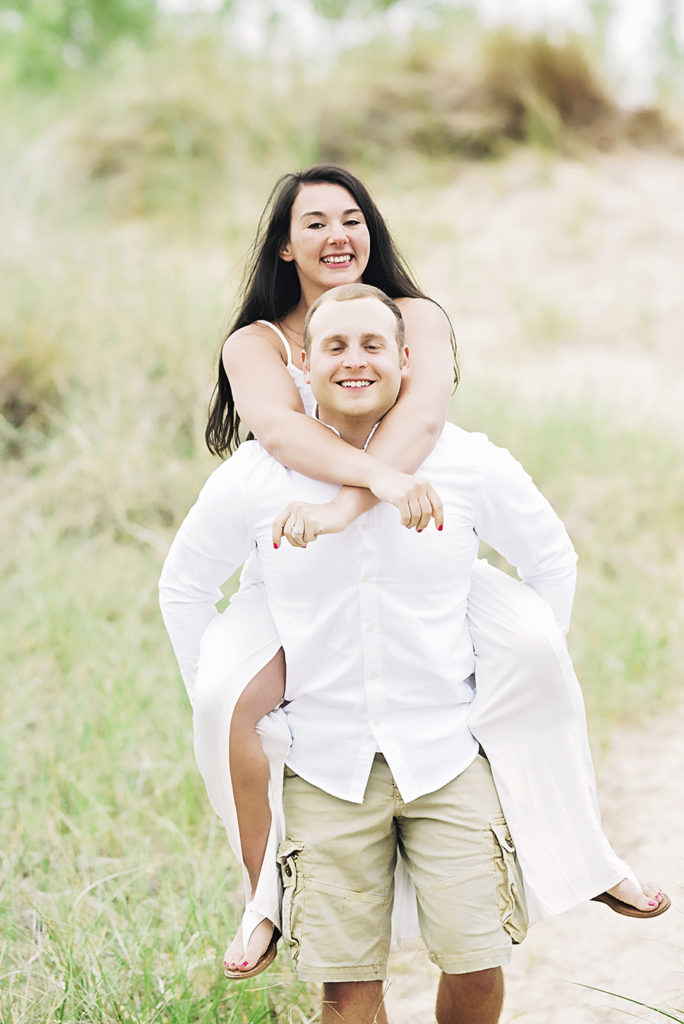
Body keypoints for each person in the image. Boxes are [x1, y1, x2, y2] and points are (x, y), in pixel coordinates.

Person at [168, 166, 667, 979]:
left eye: (352, 218)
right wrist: (370, 492)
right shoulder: (254, 342)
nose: (338, 235)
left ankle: (590, 853)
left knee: (538, 655)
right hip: (298, 564)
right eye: (316, 222)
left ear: (373, 231)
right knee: (224, 698)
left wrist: (355, 502)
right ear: (285, 247)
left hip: (413, 536)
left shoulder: (416, 316)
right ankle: (260, 895)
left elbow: (425, 417)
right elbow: (282, 437)